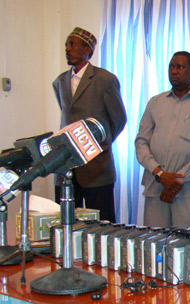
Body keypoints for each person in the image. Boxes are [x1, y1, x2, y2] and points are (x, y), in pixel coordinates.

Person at [135, 51, 190, 227]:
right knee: (155, 244)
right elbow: (141, 142)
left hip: (189, 191)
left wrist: (176, 182)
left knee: (186, 246)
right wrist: (160, 174)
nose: (174, 71)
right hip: (156, 188)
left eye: (180, 67)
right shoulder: (155, 103)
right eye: (171, 67)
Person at [53, 27, 127, 222]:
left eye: (72, 44)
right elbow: (67, 115)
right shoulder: (59, 82)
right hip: (66, 167)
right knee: (66, 223)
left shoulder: (105, 79)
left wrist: (100, 146)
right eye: (66, 45)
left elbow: (119, 119)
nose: (67, 48)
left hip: (97, 167)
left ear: (87, 49)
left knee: (102, 226)